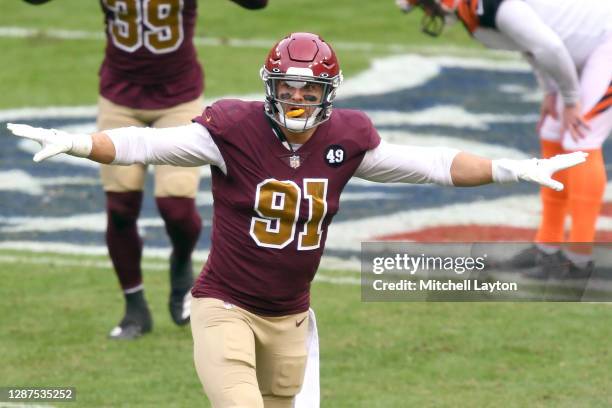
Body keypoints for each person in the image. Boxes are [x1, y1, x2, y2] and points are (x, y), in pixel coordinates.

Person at [7, 32, 586, 407]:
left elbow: (432, 164)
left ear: (328, 93)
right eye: (288, 88)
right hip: (224, 306)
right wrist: (82, 143)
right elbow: (145, 146)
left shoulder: (346, 141)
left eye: (309, 90)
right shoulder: (232, 131)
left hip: (289, 318)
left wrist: (513, 168)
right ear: (271, 88)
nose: (297, 100)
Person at [23, 0, 268, 339]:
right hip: (119, 98)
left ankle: (181, 263)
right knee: (121, 208)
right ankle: (134, 307)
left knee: (176, 208)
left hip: (177, 98)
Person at [396, 0, 612, 278]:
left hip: (604, 40)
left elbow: (549, 46)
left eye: (424, 4)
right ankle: (547, 248)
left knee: (581, 138)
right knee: (551, 132)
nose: (428, 12)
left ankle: (578, 259)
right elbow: (530, 46)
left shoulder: (492, 5)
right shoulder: (474, 12)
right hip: (578, 49)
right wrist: (550, 91)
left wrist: (570, 99)